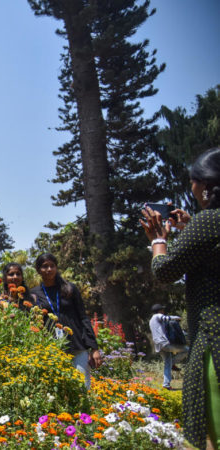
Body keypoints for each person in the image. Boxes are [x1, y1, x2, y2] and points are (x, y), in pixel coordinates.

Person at [140, 147, 220, 449]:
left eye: (194, 181)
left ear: (207, 185)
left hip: (214, 335)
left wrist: (158, 239)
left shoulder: (208, 221)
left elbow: (164, 270)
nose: (191, 187)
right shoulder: (207, 225)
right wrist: (189, 228)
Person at [30, 253, 101, 390]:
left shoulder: (69, 288)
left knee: (82, 386)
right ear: (38, 270)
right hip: (52, 348)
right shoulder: (34, 294)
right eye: (45, 266)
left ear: (56, 267)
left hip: (76, 345)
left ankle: (84, 412)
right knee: (58, 389)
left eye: (52, 266)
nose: (49, 269)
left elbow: (83, 317)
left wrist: (94, 348)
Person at [149, 304, 188, 390]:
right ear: (159, 310)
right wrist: (178, 317)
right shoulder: (157, 316)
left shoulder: (151, 320)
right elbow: (167, 318)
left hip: (158, 346)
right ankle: (173, 363)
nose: (163, 311)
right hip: (164, 343)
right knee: (186, 350)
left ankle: (166, 385)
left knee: (167, 363)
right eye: (162, 309)